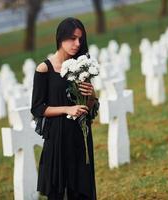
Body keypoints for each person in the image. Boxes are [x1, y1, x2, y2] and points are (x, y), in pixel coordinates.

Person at [31, 17, 99, 200]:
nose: (77, 43)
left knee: (81, 189)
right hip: (58, 138)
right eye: (72, 38)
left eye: (80, 39)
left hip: (80, 136)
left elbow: (89, 109)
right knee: (58, 192)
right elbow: (37, 108)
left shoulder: (81, 66)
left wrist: (91, 95)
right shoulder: (44, 69)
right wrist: (67, 109)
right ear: (60, 38)